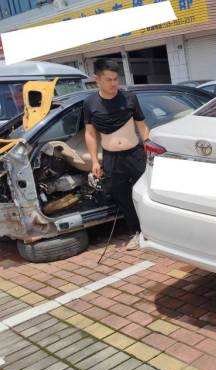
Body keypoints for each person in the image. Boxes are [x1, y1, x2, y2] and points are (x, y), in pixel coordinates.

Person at [83, 59, 149, 250]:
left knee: (145, 193)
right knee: (122, 197)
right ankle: (137, 232)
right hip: (111, 158)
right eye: (108, 80)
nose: (113, 84)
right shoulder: (90, 103)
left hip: (135, 155)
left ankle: (155, 230)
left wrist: (149, 149)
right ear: (97, 79)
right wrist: (95, 161)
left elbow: (142, 127)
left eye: (116, 79)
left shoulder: (129, 98)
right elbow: (90, 134)